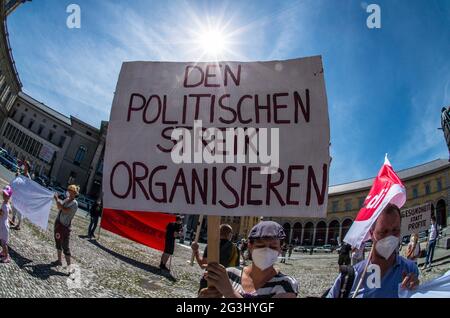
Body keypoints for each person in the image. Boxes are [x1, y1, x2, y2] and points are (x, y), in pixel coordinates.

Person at [326, 203, 419, 298]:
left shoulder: (410, 269)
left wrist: (417, 291)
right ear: (371, 233)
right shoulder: (350, 277)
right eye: (383, 232)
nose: (390, 237)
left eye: (395, 230)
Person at [199, 221, 298, 298]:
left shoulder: (286, 284)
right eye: (260, 246)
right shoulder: (230, 275)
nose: (266, 251)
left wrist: (230, 292)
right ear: (250, 246)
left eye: (273, 247)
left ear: (280, 249)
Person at [192, 224, 240, 291]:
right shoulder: (235, 249)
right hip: (224, 283)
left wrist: (196, 251)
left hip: (208, 279)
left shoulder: (211, 245)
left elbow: (203, 265)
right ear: (230, 234)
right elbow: (236, 270)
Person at [51, 184, 79, 268]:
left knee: (65, 247)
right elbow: (59, 207)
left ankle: (69, 266)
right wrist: (58, 201)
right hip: (59, 223)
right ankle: (59, 261)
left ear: (75, 193)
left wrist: (57, 200)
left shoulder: (74, 203)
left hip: (65, 227)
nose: (69, 193)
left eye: (71, 192)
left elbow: (65, 210)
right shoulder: (67, 199)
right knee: (58, 243)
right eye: (69, 191)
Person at [11, 160, 31, 230]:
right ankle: (13, 219)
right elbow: (18, 180)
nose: (23, 166)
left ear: (27, 167)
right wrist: (17, 175)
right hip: (18, 194)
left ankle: (18, 225)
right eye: (24, 165)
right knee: (14, 205)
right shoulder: (22, 173)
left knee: (20, 210)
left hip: (23, 196)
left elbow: (28, 187)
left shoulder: (28, 177)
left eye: (25, 165)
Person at [0, 186, 12, 263]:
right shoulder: (7, 203)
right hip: (5, 224)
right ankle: (3, 252)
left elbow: (0, 215)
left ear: (9, 196)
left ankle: (7, 256)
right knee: (3, 240)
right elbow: (10, 212)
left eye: (6, 195)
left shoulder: (4, 205)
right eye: (4, 194)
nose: (4, 195)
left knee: (3, 243)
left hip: (3, 226)